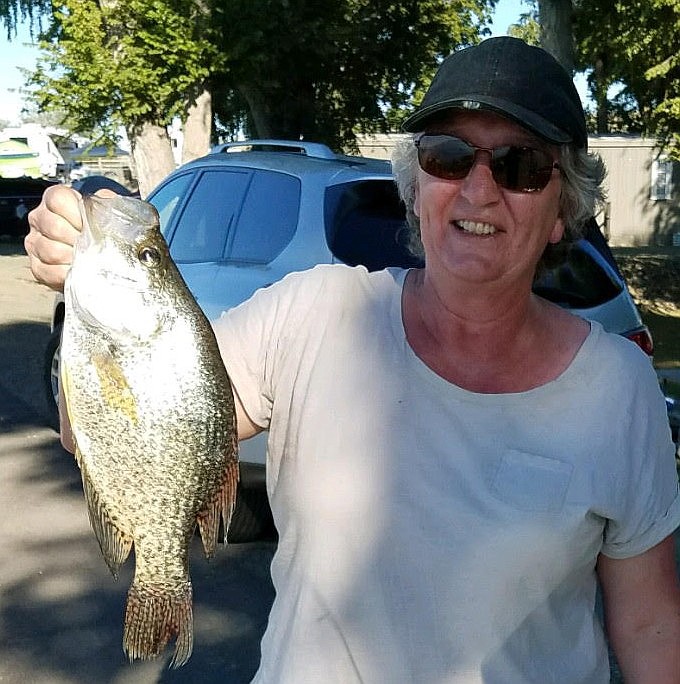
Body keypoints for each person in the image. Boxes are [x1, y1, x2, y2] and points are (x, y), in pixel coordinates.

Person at [25, 36, 680, 683]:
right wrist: (86, 281)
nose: (479, 189)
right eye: (448, 156)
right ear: (417, 184)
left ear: (563, 209)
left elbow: (650, 623)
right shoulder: (313, 315)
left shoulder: (618, 389)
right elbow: (132, 430)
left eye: (519, 164)